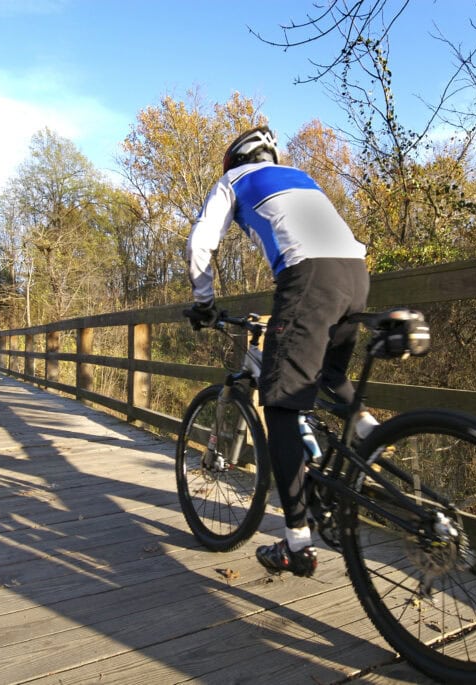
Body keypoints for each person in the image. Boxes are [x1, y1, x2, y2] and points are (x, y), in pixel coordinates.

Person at [185, 125, 372, 578]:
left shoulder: (233, 181)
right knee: (329, 375)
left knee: (283, 407)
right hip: (357, 274)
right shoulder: (301, 177)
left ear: (233, 160)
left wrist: (204, 302)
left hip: (309, 277)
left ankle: (297, 543)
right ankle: (372, 437)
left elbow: (200, 243)